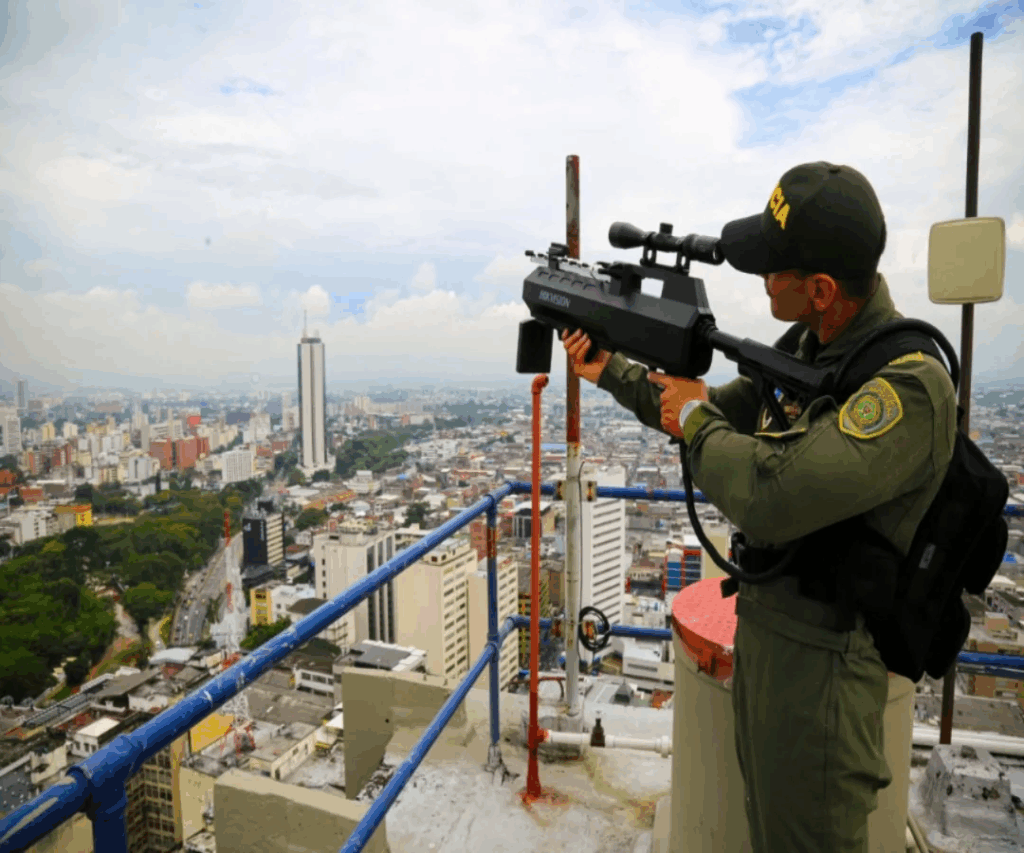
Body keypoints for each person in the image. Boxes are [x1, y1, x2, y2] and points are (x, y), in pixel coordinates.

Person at [561, 161, 958, 853]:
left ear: (822, 289)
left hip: (827, 670)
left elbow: (769, 495)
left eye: (775, 268)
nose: (763, 279)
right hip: (771, 638)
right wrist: (612, 370)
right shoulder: (813, 348)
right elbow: (713, 410)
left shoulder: (907, 388)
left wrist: (693, 421)